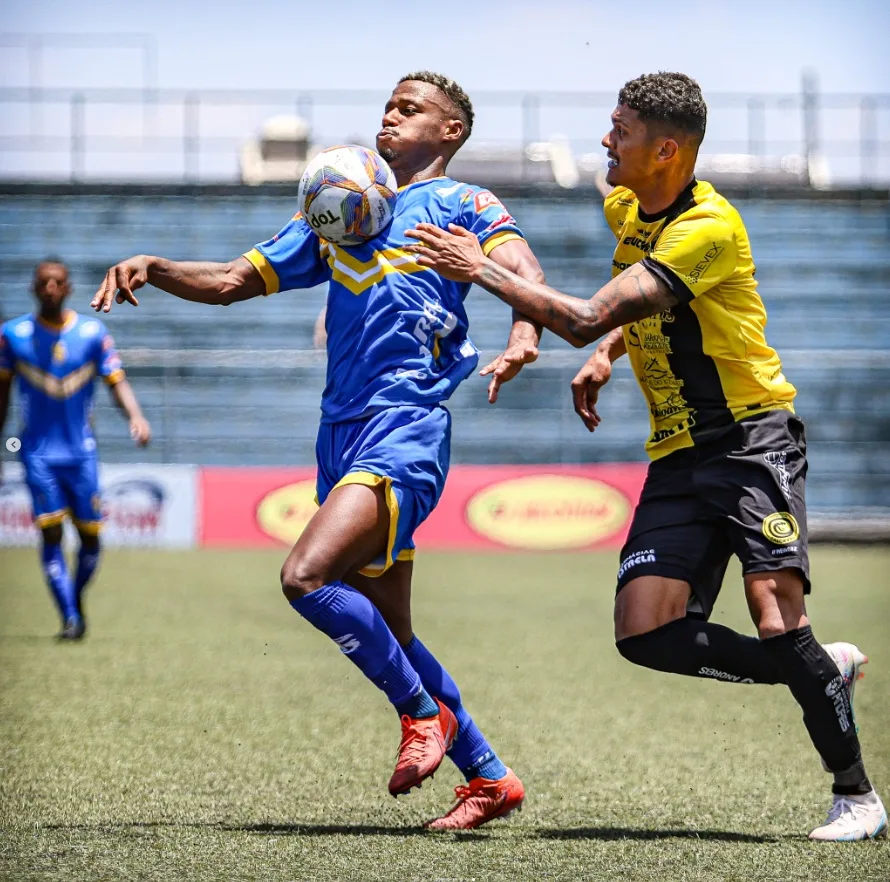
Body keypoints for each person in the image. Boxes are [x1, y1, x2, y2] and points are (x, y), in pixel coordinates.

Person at [404, 71, 887, 842]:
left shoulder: (709, 227)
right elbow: (635, 306)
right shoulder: (629, 203)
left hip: (750, 440)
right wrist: (608, 354)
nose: (606, 139)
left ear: (667, 149)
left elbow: (590, 310)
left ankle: (856, 796)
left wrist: (483, 271)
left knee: (773, 617)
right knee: (644, 631)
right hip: (679, 451)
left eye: (621, 131)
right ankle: (819, 669)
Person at [90, 71, 545, 830]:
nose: (390, 116)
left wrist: (525, 333)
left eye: (411, 108)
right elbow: (235, 279)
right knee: (392, 630)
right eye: (387, 106)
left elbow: (524, 272)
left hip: (405, 426)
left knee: (304, 576)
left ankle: (418, 714)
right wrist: (158, 268)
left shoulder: (463, 205)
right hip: (340, 434)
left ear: (451, 131)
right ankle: (491, 777)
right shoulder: (338, 215)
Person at [0, 258, 151, 639]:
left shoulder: (92, 332)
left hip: (82, 454)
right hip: (35, 451)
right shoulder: (12, 335)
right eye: (44, 282)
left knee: (90, 539)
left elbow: (116, 380)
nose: (50, 288)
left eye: (58, 282)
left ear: (68, 288)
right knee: (51, 533)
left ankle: (73, 597)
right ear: (34, 288)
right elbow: (1, 396)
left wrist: (135, 416)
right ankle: (69, 617)